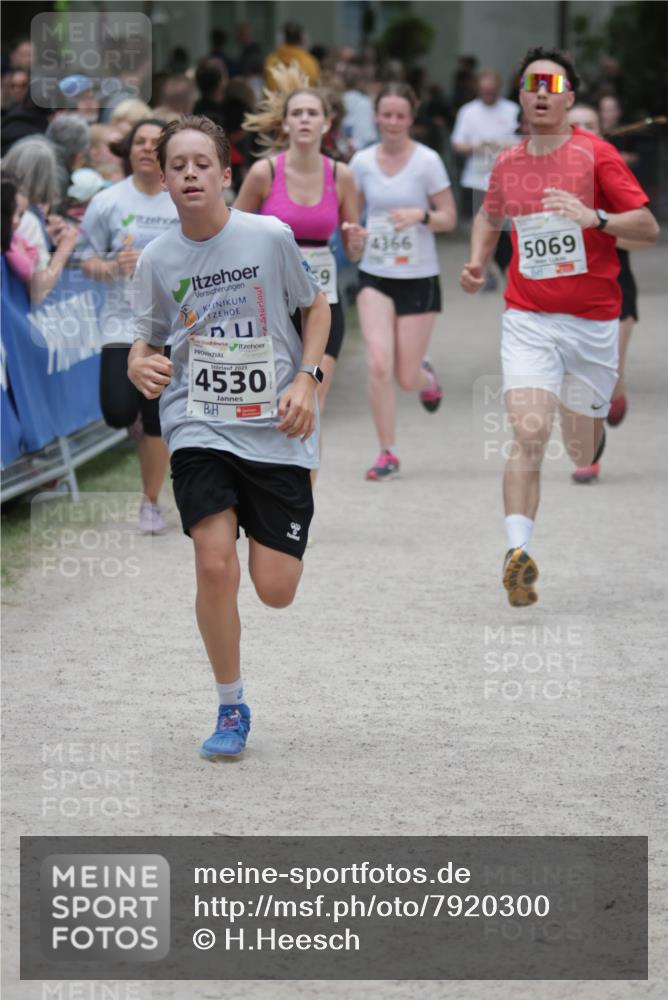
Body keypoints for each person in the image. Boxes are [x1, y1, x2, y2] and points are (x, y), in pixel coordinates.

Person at [127, 115, 329, 759]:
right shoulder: (157, 257)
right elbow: (149, 337)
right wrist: (138, 361)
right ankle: (230, 704)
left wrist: (307, 377)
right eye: (177, 164)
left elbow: (316, 306)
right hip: (198, 421)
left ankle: (261, 519)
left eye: (201, 163)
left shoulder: (268, 236)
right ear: (162, 177)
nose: (189, 173)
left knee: (274, 589)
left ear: (224, 173)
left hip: (273, 423)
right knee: (214, 564)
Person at [460, 47, 659, 607]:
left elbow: (646, 227)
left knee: (580, 450)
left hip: (594, 323)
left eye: (552, 85)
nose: (541, 94)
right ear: (521, 98)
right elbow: (489, 214)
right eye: (532, 86)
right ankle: (517, 552)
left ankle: (595, 425)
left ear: (570, 97)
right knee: (527, 431)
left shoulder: (599, 157)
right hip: (529, 318)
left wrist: (593, 217)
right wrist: (478, 261)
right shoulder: (507, 163)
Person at [235, 66, 364, 482]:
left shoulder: (341, 175)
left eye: (313, 113)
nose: (305, 119)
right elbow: (233, 234)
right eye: (298, 113)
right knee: (272, 407)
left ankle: (299, 505)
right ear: (286, 122)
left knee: (311, 404)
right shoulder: (264, 174)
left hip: (323, 308)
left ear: (327, 123)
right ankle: (265, 488)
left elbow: (352, 240)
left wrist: (356, 242)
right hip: (269, 308)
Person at [350, 82, 457, 481]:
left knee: (405, 376)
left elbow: (448, 217)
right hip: (375, 274)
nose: (393, 122)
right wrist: (355, 235)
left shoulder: (427, 162)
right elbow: (354, 217)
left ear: (411, 119)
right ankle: (387, 451)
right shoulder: (361, 162)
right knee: (379, 363)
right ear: (376, 116)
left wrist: (420, 215)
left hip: (418, 276)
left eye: (400, 116)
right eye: (386, 115)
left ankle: (428, 378)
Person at [78, 118, 179, 534]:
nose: (146, 148)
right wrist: (109, 266)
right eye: (139, 141)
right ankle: (136, 420)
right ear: (130, 150)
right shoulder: (107, 202)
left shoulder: (181, 200)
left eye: (156, 143)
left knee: (157, 420)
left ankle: (151, 502)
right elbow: (84, 260)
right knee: (119, 411)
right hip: (122, 324)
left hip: (173, 327)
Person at [566, 103, 647, 481]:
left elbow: (643, 237)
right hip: (568, 289)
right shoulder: (547, 176)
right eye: (575, 125)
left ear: (601, 130)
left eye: (589, 125)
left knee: (605, 372)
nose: (582, 130)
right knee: (576, 373)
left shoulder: (614, 173)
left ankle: (616, 390)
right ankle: (588, 456)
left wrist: (597, 222)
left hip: (614, 288)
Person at [265, 22, 320, 90]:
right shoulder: (310, 63)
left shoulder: (271, 60)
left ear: (282, 39)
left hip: (274, 100)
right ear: (302, 39)